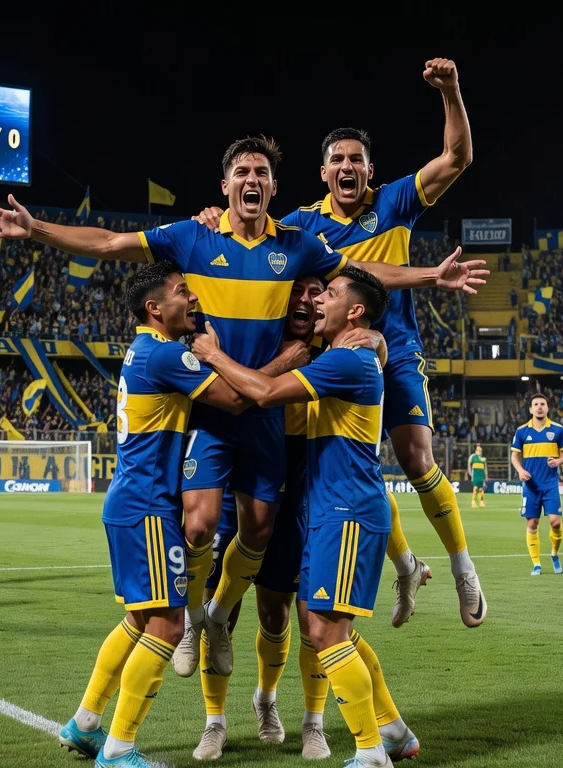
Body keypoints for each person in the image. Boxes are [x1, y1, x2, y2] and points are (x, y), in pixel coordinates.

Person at [0, 136, 484, 677]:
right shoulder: (191, 236)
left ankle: (218, 618)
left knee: (259, 532)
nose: (252, 179)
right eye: (242, 171)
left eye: (262, 172)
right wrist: (36, 230)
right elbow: (107, 243)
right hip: (211, 409)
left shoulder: (297, 244)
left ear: (272, 187)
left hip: (265, 414)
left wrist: (432, 277)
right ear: (225, 186)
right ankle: (195, 622)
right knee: (197, 529)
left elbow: (359, 275)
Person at [194, 59, 485, 629]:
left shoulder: (394, 202)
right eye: (338, 160)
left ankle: (462, 567)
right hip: (332, 359)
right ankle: (404, 563)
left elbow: (457, 158)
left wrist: (451, 91)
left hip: (393, 349)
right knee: (344, 469)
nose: (347, 167)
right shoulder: (303, 224)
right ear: (323, 172)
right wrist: (212, 215)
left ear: (369, 171)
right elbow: (251, 232)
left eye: (356, 159)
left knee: (416, 457)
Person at [193, 267, 418, 767]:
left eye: (329, 294)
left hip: (344, 510)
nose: (317, 301)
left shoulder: (348, 361)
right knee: (331, 630)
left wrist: (211, 355)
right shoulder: (346, 354)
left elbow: (267, 393)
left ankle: (370, 751)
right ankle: (395, 734)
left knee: (324, 631)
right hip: (326, 507)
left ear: (354, 312)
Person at [56, 261, 246, 767]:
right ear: (155, 309)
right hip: (147, 507)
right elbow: (235, 398)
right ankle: (119, 749)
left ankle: (86, 723)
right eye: (184, 292)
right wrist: (231, 355)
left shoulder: (146, 350)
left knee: (139, 620)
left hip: (128, 501)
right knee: (165, 627)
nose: (193, 299)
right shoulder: (164, 355)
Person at [510, 395, 563, 576]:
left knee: (555, 522)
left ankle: (554, 553)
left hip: (550, 484)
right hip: (531, 485)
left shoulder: (558, 430)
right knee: (532, 523)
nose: (539, 407)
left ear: (547, 408)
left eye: (542, 404)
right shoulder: (521, 431)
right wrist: (520, 470)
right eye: (535, 404)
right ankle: (536, 564)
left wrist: (559, 460)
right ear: (530, 409)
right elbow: (514, 456)